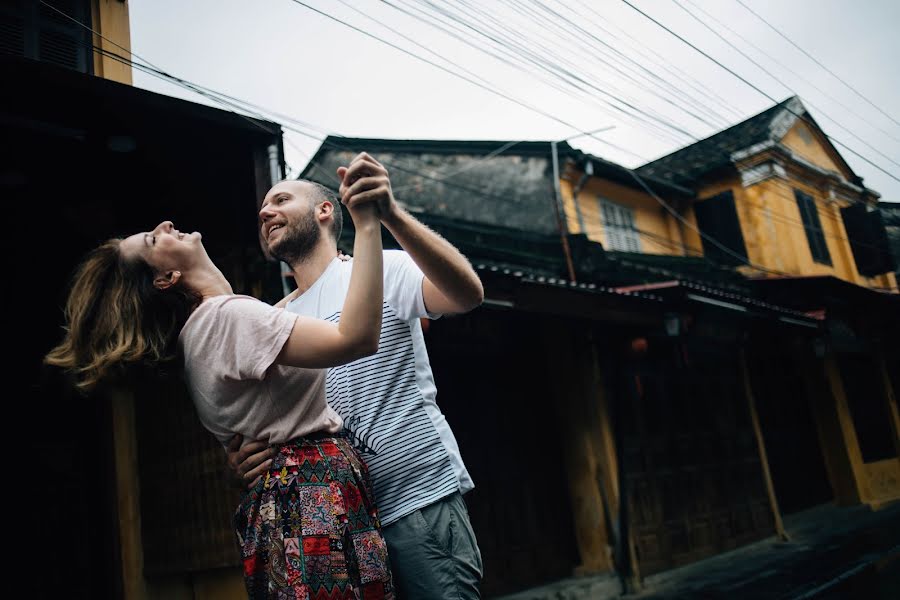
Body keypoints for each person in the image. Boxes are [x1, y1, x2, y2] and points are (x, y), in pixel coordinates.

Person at [45, 163, 394, 599]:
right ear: (167, 278)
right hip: (312, 494)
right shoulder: (228, 318)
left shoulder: (206, 329)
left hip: (291, 497)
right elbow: (356, 337)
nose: (165, 225)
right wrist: (366, 223)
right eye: (155, 240)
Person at [229, 152, 485, 599]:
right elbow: (273, 426)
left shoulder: (376, 269)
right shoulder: (274, 319)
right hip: (333, 528)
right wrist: (248, 457)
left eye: (281, 199)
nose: (265, 211)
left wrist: (390, 215)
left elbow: (465, 295)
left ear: (324, 211)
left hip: (416, 502)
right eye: (262, 209)